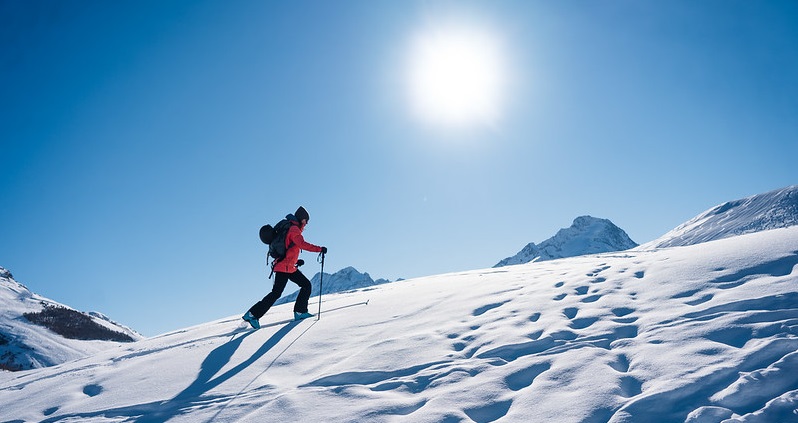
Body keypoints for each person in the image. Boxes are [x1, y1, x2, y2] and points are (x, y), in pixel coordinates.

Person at [243, 206, 327, 328]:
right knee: (279, 292)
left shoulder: (290, 227)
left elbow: (289, 248)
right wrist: (320, 249)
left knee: (304, 285)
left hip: (287, 266)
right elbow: (302, 244)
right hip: (284, 267)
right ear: (301, 219)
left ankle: (299, 311)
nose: (307, 223)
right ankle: (253, 314)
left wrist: (297, 261)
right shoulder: (294, 229)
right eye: (306, 220)